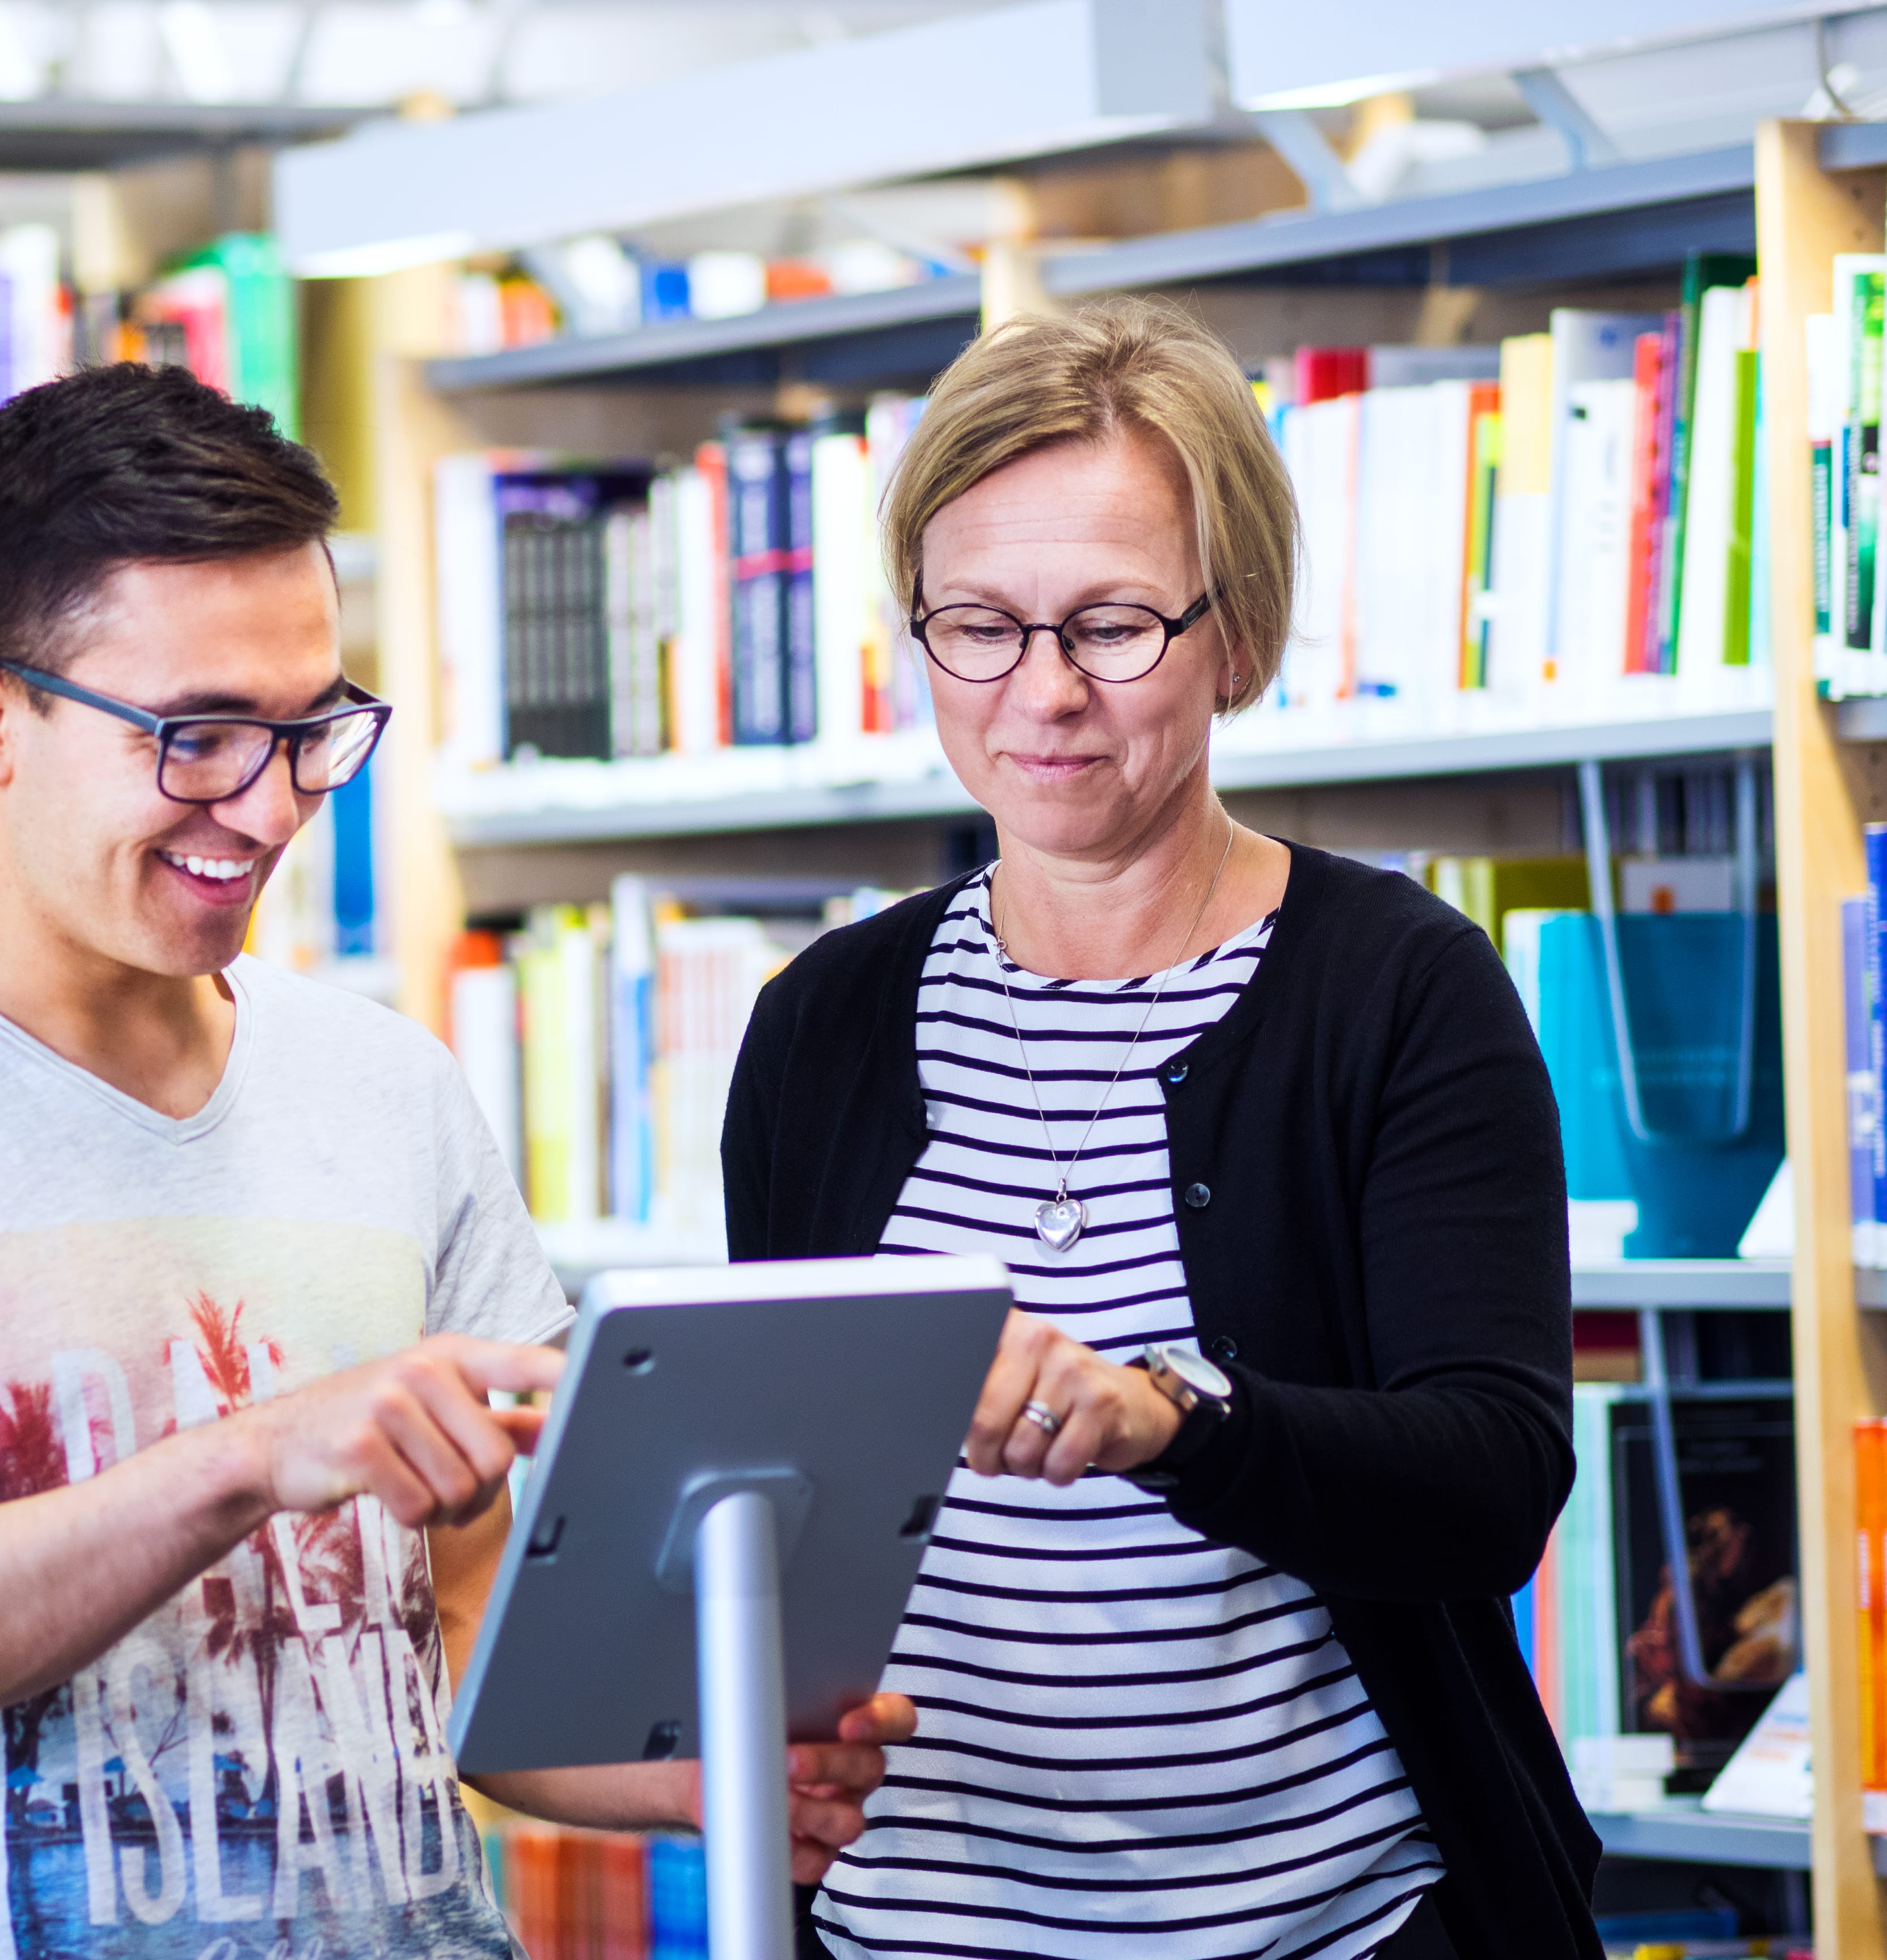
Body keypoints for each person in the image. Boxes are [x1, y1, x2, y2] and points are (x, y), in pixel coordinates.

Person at [0, 361, 907, 1959]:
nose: (271, 805)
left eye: (311, 732)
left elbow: (461, 1628)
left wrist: (697, 1771)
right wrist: (244, 1460)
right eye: (198, 735)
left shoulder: (383, 1083)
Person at [723, 299, 1594, 1960]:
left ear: (1239, 636)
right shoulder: (821, 1022)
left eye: (1113, 625)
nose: (1040, 694)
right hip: (910, 1928)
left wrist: (1172, 1421)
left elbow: (1492, 1486)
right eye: (977, 624)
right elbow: (795, 1501)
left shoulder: (1400, 990)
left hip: (1331, 1929)